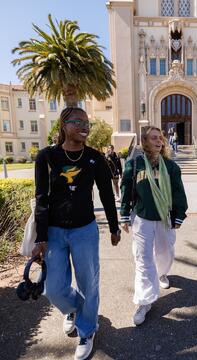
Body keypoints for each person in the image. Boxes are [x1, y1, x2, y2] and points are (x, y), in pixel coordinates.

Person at [32, 107, 121, 360]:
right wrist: (41, 238)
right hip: (54, 231)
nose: (84, 126)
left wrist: (114, 227)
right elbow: (41, 198)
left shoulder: (94, 157)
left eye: (86, 122)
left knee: (88, 284)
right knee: (52, 288)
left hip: (85, 231)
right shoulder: (47, 157)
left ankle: (87, 329)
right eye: (77, 121)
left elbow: (106, 194)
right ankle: (76, 310)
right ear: (63, 125)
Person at [120, 125, 188, 326]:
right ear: (145, 141)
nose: (159, 141)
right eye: (154, 138)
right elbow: (126, 191)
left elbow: (178, 193)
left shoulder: (171, 167)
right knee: (143, 258)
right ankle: (144, 301)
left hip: (164, 218)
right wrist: (124, 215)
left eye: (161, 138)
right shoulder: (135, 165)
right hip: (142, 218)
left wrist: (179, 214)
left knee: (165, 252)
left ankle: (162, 273)